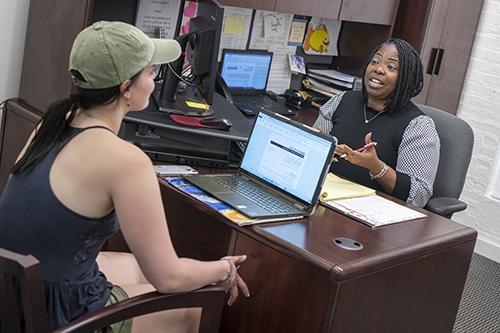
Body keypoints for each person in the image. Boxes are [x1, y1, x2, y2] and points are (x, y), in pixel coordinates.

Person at [0, 21, 249, 332]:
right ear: (125, 88)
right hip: (57, 313)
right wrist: (222, 269)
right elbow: (168, 277)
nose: (155, 80)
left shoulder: (53, 121)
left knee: (135, 266)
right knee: (196, 304)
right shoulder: (127, 162)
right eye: (149, 72)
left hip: (13, 294)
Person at [314, 38, 440, 207]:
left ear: (406, 78)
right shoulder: (342, 100)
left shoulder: (418, 126)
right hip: (326, 201)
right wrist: (316, 151)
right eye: (375, 61)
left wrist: (377, 167)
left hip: (371, 216)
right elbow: (312, 150)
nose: (378, 69)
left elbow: (418, 196)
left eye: (391, 67)